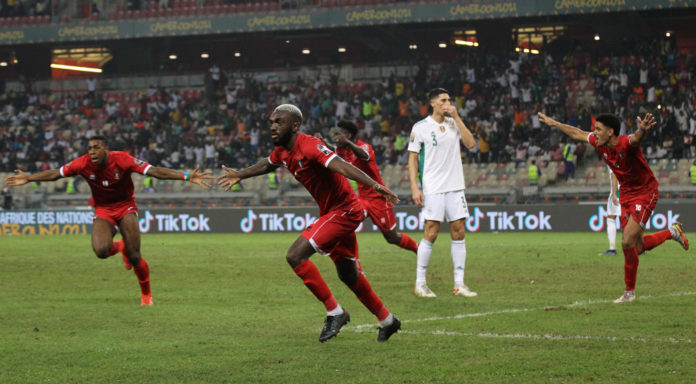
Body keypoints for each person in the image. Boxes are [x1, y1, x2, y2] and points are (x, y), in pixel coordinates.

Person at [217, 104, 402, 342]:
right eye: (272, 122)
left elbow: (343, 166)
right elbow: (267, 163)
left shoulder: (311, 146)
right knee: (348, 274)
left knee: (295, 255)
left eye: (279, 122)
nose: (273, 126)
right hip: (332, 212)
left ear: (295, 126)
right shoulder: (283, 151)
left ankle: (335, 312)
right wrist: (240, 174)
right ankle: (388, 320)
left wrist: (376, 185)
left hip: (345, 210)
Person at [4, 136, 213, 306]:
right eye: (89, 148)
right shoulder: (82, 163)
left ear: (106, 149)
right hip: (103, 210)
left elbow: (155, 171)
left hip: (126, 206)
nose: (91, 152)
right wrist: (29, 178)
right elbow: (55, 174)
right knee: (101, 251)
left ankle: (146, 295)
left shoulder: (122, 159)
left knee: (134, 255)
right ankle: (119, 246)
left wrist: (186, 176)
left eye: (96, 148)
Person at [538, 112, 689, 303]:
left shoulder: (625, 144)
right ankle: (672, 233)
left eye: (598, 129)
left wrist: (642, 130)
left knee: (626, 242)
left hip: (645, 192)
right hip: (626, 195)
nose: (594, 133)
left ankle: (629, 293)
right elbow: (577, 133)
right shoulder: (599, 142)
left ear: (611, 132)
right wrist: (554, 122)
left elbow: (635, 140)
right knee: (638, 246)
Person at [407, 88, 477, 298]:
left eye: (449, 100)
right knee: (431, 232)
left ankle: (459, 284)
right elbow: (412, 159)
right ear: (434, 103)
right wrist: (414, 187)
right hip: (433, 187)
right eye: (444, 100)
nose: (448, 103)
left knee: (459, 231)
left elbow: (471, 143)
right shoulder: (421, 128)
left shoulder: (454, 123)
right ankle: (420, 283)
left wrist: (456, 116)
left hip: (455, 186)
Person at [324, 120, 419, 254]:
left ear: (348, 136)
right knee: (346, 222)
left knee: (392, 237)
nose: (335, 138)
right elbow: (332, 149)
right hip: (362, 198)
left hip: (379, 198)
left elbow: (363, 155)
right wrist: (321, 141)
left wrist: (348, 144)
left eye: (338, 134)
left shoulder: (364, 147)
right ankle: (351, 263)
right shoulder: (342, 149)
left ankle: (417, 248)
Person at [599, 169, 620, 256]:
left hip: (619, 193)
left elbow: (614, 174)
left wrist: (614, 194)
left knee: (611, 218)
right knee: (632, 220)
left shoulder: (613, 158)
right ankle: (639, 248)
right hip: (631, 192)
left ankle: (612, 249)